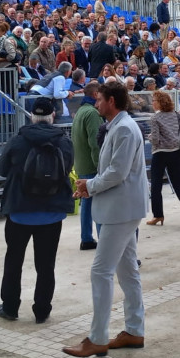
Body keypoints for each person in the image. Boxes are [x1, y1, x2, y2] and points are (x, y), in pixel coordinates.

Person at [63, 82, 148, 358]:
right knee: (127, 272)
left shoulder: (123, 128)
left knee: (100, 272)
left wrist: (90, 185)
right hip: (122, 207)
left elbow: (116, 173)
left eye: (99, 99)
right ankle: (134, 330)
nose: (96, 103)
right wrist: (92, 184)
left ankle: (98, 337)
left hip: (120, 209)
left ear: (111, 101)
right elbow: (113, 171)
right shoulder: (119, 126)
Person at [0, 97, 75, 323]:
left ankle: (10, 307)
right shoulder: (64, 141)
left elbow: (1, 169)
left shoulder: (18, 140)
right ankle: (42, 310)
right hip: (52, 212)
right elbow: (67, 169)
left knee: (14, 261)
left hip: (20, 211)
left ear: (31, 116)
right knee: (46, 264)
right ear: (52, 116)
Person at [146, 90, 180, 227]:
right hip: (175, 152)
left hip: (160, 153)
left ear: (159, 103)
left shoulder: (155, 118)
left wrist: (149, 137)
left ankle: (158, 215)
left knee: (156, 185)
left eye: (154, 101)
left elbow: (156, 140)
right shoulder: (176, 115)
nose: (152, 103)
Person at [71, 81, 104, 250]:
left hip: (81, 163)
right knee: (96, 204)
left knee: (87, 203)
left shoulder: (80, 112)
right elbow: (95, 143)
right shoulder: (92, 113)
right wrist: (101, 167)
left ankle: (86, 238)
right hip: (92, 165)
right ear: (95, 95)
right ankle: (100, 239)